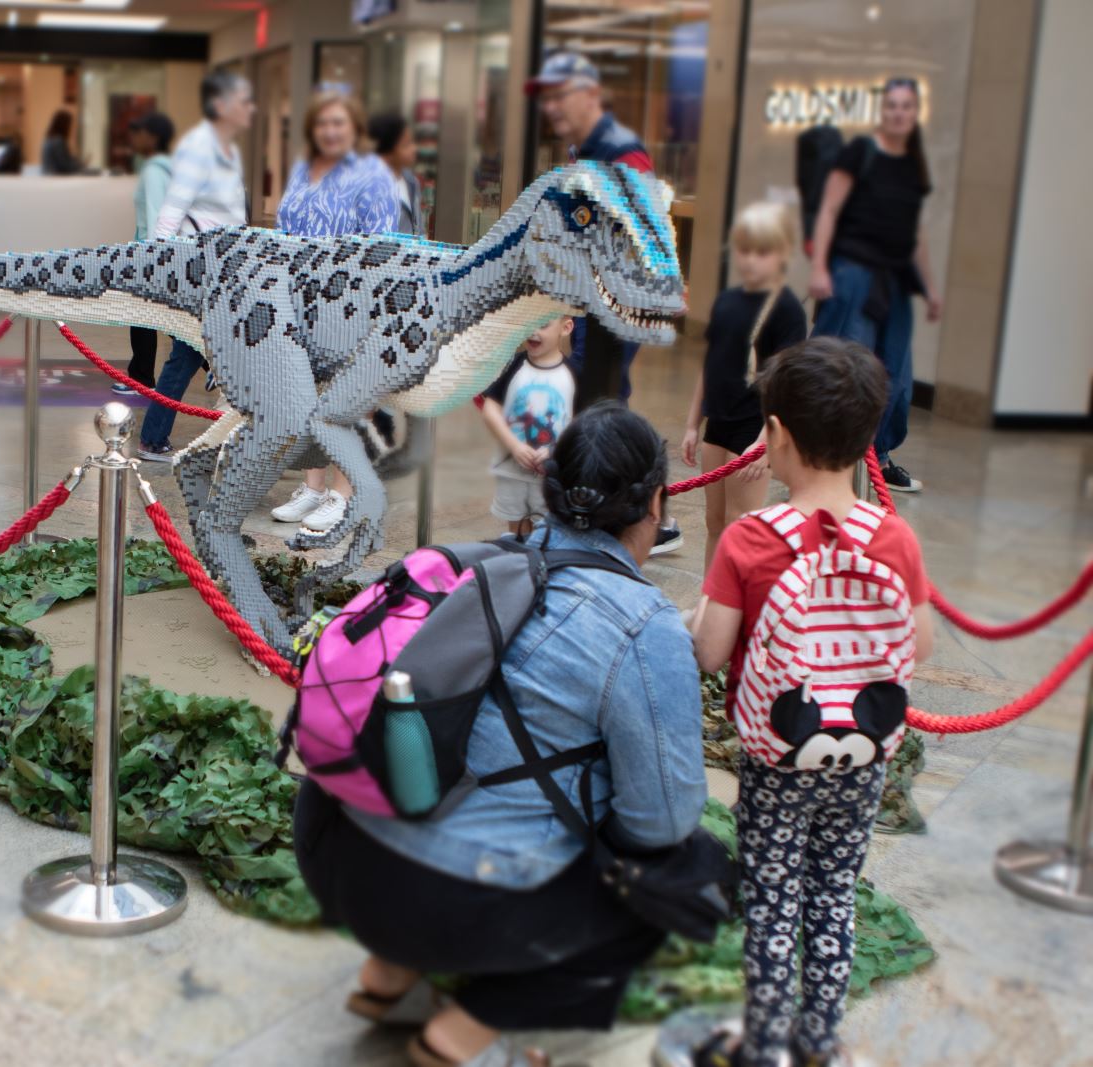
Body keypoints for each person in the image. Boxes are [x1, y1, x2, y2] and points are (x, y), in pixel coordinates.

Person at [296, 402, 705, 1067]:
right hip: (456, 899)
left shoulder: (470, 563)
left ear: (549, 487)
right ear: (656, 502)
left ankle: (389, 971)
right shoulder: (642, 624)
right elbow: (662, 819)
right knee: (679, 879)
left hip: (333, 850)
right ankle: (468, 1034)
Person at [688, 337, 934, 1067]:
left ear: (777, 437)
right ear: (867, 440)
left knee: (771, 900)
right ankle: (819, 1041)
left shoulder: (750, 540)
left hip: (776, 757)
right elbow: (919, 644)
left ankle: (765, 1047)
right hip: (861, 759)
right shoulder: (892, 537)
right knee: (831, 897)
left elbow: (709, 651)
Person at [527, 50, 682, 557]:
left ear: (591, 95)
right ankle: (610, 513)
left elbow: (643, 231)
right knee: (592, 405)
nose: (551, 107)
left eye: (559, 95)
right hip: (591, 305)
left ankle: (633, 518)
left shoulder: (620, 152)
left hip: (611, 312)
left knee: (601, 407)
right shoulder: (587, 150)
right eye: (546, 98)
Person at [265, 91, 396, 531]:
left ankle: (344, 491)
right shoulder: (304, 169)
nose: (330, 131)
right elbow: (284, 230)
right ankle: (313, 487)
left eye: (339, 123)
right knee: (309, 397)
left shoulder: (372, 174)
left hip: (348, 305)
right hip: (302, 304)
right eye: (322, 123)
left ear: (354, 126)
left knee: (347, 401)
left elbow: (381, 247)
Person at [808, 78, 942, 495]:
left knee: (896, 378)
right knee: (845, 367)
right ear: (883, 110)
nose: (899, 113)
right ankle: (825, 459)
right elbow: (830, 209)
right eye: (892, 106)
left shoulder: (912, 164)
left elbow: (914, 232)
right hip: (854, 274)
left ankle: (878, 459)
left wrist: (931, 288)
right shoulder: (860, 153)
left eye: (906, 106)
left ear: (914, 112)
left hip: (896, 280)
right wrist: (820, 269)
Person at [680, 202, 806, 572]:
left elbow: (786, 383)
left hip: (754, 428)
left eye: (762, 252)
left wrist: (765, 445)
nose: (751, 260)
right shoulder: (728, 301)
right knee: (714, 524)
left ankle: (737, 611)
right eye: (745, 250)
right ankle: (711, 601)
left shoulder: (787, 310)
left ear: (782, 254)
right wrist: (692, 423)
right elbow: (712, 363)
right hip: (718, 423)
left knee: (741, 526)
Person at [135, 70, 254, 463]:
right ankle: (155, 439)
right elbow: (170, 214)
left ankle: (225, 434)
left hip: (228, 274)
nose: (250, 108)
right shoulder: (200, 149)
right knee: (186, 356)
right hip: (202, 276)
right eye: (244, 101)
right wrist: (157, 268)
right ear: (221, 106)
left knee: (199, 356)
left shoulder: (227, 152)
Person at [480, 317, 576, 538]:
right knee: (517, 532)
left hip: (552, 475)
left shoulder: (573, 374)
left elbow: (582, 422)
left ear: (566, 327)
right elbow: (491, 408)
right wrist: (514, 446)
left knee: (549, 531)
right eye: (528, 323)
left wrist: (556, 449)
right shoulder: (514, 365)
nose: (533, 331)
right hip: (511, 470)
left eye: (543, 325)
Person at [115, 111, 175, 396]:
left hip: (151, 253)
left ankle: (141, 378)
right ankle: (141, 376)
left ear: (153, 137)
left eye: (139, 133)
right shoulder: (162, 168)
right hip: (156, 251)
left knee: (145, 316)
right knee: (155, 318)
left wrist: (151, 258)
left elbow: (154, 217)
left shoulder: (153, 172)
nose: (134, 138)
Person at [367, 111, 426, 237]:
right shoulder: (368, 187)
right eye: (406, 144)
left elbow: (418, 227)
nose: (414, 149)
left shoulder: (411, 181)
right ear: (386, 150)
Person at [40, 109, 89, 176]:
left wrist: (76, 161)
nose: (71, 128)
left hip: (48, 176)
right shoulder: (58, 141)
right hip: (56, 179)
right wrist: (81, 164)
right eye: (69, 124)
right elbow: (65, 165)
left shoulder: (48, 139)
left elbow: (64, 160)